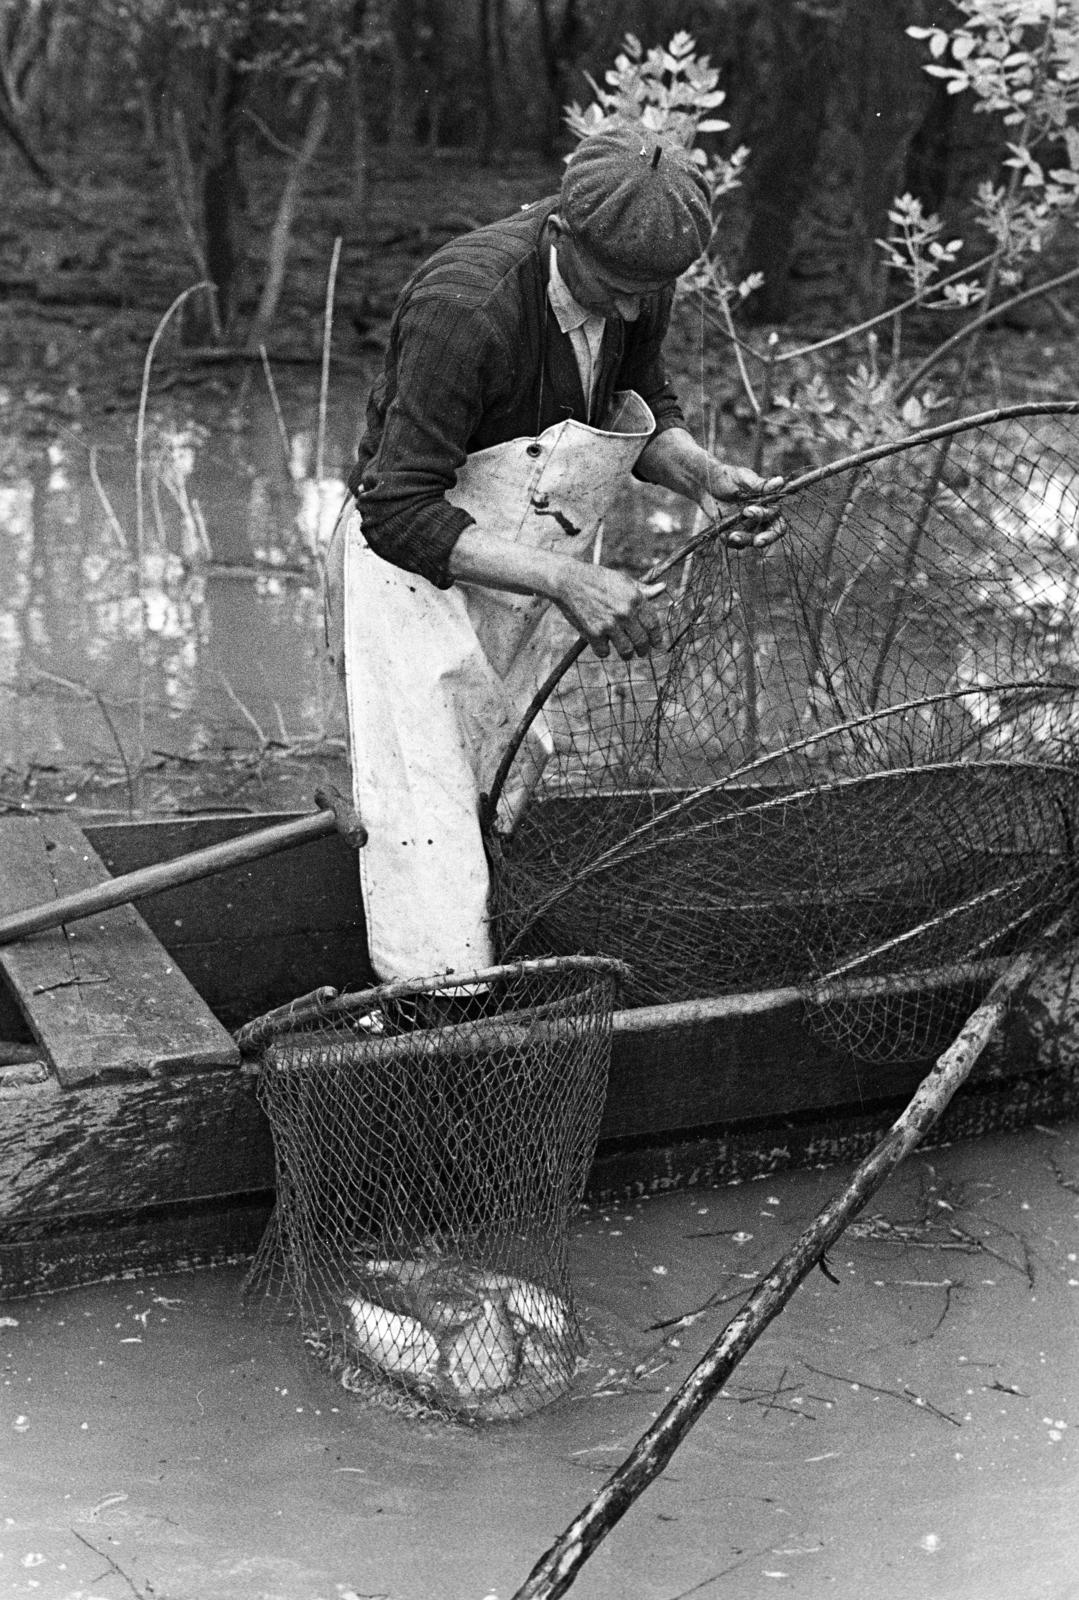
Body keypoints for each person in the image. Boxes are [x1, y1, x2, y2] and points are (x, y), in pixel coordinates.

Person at [326, 123, 784, 983]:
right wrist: (569, 579)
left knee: (502, 776)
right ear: (563, 236)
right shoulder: (465, 308)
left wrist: (703, 476)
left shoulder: (640, 276)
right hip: (414, 576)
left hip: (535, 552)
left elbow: (638, 395)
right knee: (422, 813)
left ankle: (487, 954)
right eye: (612, 287)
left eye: (649, 293)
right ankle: (434, 1015)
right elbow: (395, 509)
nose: (628, 310)